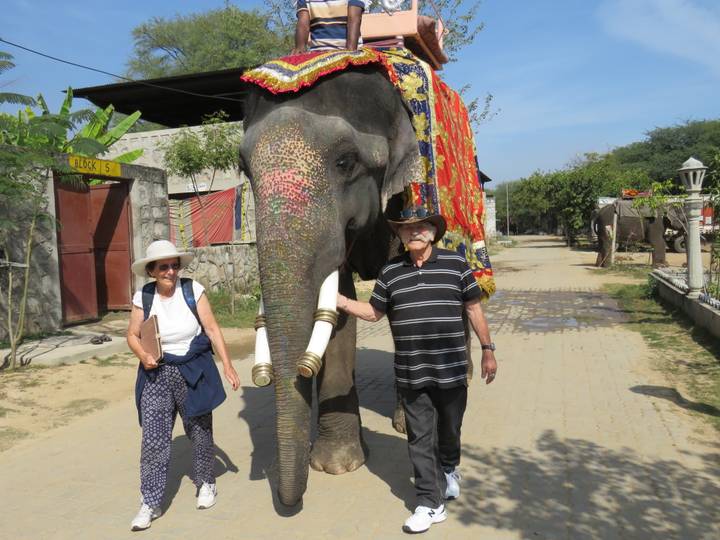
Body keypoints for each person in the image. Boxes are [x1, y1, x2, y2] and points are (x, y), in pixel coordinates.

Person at [336, 207, 498, 534]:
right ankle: (429, 501)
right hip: (411, 373)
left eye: (420, 227)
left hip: (452, 370)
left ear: (432, 232)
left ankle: (450, 466)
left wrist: (487, 350)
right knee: (419, 438)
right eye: (406, 229)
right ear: (399, 235)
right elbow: (372, 312)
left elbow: (473, 308)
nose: (413, 233)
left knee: (449, 429)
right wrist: (337, 300)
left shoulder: (456, 264)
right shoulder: (391, 272)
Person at [126, 240, 240, 531]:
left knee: (200, 432)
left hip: (193, 370)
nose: (171, 271)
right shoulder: (144, 296)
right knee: (153, 440)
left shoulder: (193, 290)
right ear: (152, 270)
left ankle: (206, 484)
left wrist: (227, 364)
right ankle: (150, 502)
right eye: (163, 266)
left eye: (174, 265)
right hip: (157, 373)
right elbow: (132, 335)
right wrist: (144, 355)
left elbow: (212, 329)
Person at [292, 0, 367, 54]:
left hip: (346, 51)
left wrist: (350, 53)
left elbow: (354, 20)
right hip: (318, 56)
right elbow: (303, 25)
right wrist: (299, 50)